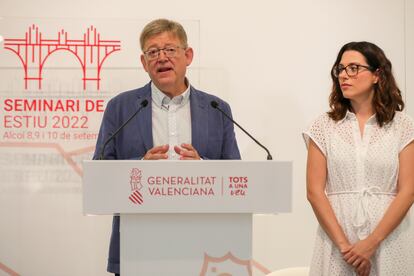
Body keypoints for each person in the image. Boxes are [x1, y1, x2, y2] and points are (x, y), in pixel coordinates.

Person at [93, 18, 240, 275]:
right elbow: (99, 174)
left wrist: (204, 168)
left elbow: (236, 176)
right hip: (137, 243)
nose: (162, 58)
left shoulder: (217, 109)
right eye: (153, 52)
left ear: (188, 55)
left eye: (170, 49)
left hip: (204, 244)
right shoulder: (121, 107)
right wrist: (139, 169)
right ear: (143, 63)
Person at [303, 41, 414, 276]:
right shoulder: (322, 126)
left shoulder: (403, 126)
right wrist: (347, 248)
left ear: (377, 75)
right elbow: (314, 192)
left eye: (353, 68)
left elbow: (408, 191)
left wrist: (371, 243)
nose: (344, 75)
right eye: (340, 69)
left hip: (389, 238)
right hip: (336, 241)